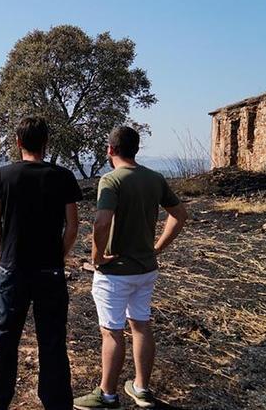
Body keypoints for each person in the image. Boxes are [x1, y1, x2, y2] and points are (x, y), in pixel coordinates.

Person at [73, 126, 187, 410]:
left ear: (110, 150)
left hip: (115, 273)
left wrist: (97, 256)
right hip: (146, 269)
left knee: (111, 331)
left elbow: (101, 222)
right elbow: (180, 215)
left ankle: (107, 395)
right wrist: (158, 247)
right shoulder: (155, 178)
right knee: (141, 324)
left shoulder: (111, 181)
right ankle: (141, 389)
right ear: (136, 149)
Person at [0, 116, 82, 410]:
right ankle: (56, 403)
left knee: (4, 336)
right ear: (46, 143)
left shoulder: (3, 176)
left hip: (13, 268)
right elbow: (73, 226)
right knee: (52, 339)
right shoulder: (63, 176)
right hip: (49, 270)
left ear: (17, 142)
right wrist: (59, 255)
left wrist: (5, 253)